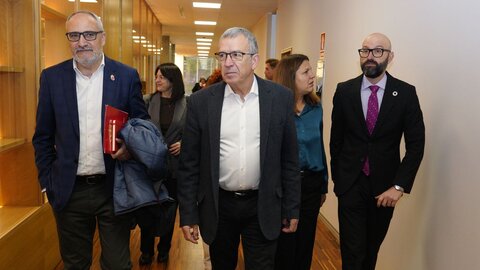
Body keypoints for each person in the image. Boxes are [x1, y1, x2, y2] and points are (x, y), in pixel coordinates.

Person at [32, 10, 149, 269]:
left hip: (113, 186)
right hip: (68, 189)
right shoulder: (52, 78)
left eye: (89, 34)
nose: (82, 41)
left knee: (118, 264)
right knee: (75, 264)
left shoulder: (126, 76)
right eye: (74, 35)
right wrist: (47, 182)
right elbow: (42, 136)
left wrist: (129, 148)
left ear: (102, 37)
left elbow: (142, 127)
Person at [177, 27, 301, 270]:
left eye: (236, 55)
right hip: (218, 205)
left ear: (254, 60)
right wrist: (189, 214)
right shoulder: (202, 102)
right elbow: (189, 163)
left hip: (263, 203)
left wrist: (291, 207)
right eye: (222, 56)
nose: (228, 63)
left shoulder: (279, 98)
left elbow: (289, 159)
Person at [330, 33, 425, 270]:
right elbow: (336, 141)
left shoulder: (405, 93)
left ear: (390, 57)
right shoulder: (345, 91)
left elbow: (416, 145)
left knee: (371, 251)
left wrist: (398, 186)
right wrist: (339, 179)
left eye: (378, 51)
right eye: (365, 50)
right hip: (350, 184)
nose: (370, 56)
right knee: (352, 253)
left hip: (385, 190)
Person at [273, 54, 328, 270]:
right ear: (290, 77)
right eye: (306, 72)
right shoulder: (276, 110)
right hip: (285, 186)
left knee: (305, 244)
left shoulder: (316, 109)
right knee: (285, 246)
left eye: (311, 70)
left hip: (312, 186)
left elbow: (319, 148)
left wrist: (323, 184)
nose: (312, 75)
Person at [136, 62, 187, 265]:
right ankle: (146, 250)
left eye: (162, 77)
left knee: (169, 211)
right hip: (150, 166)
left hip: (175, 168)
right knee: (148, 209)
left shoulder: (187, 103)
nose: (157, 80)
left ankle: (164, 249)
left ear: (173, 80)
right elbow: (136, 129)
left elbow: (196, 131)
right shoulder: (147, 101)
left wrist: (185, 143)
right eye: (156, 76)